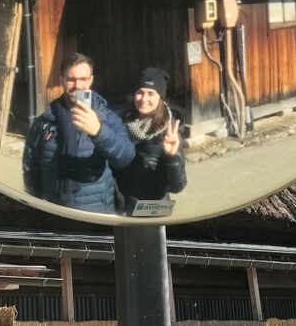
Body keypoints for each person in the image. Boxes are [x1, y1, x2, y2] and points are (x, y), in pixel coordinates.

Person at [22, 52, 134, 213]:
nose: (77, 85)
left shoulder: (107, 118)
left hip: (96, 214)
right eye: (71, 79)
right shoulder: (44, 122)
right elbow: (30, 169)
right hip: (55, 214)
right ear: (61, 80)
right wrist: (36, 209)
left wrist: (99, 131)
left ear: (91, 80)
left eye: (83, 79)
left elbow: (126, 157)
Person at [115, 67, 187, 214]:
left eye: (151, 94)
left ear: (161, 98)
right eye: (140, 92)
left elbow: (177, 186)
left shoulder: (169, 131)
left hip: (152, 209)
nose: (144, 99)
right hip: (123, 206)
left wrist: (171, 157)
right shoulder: (122, 122)